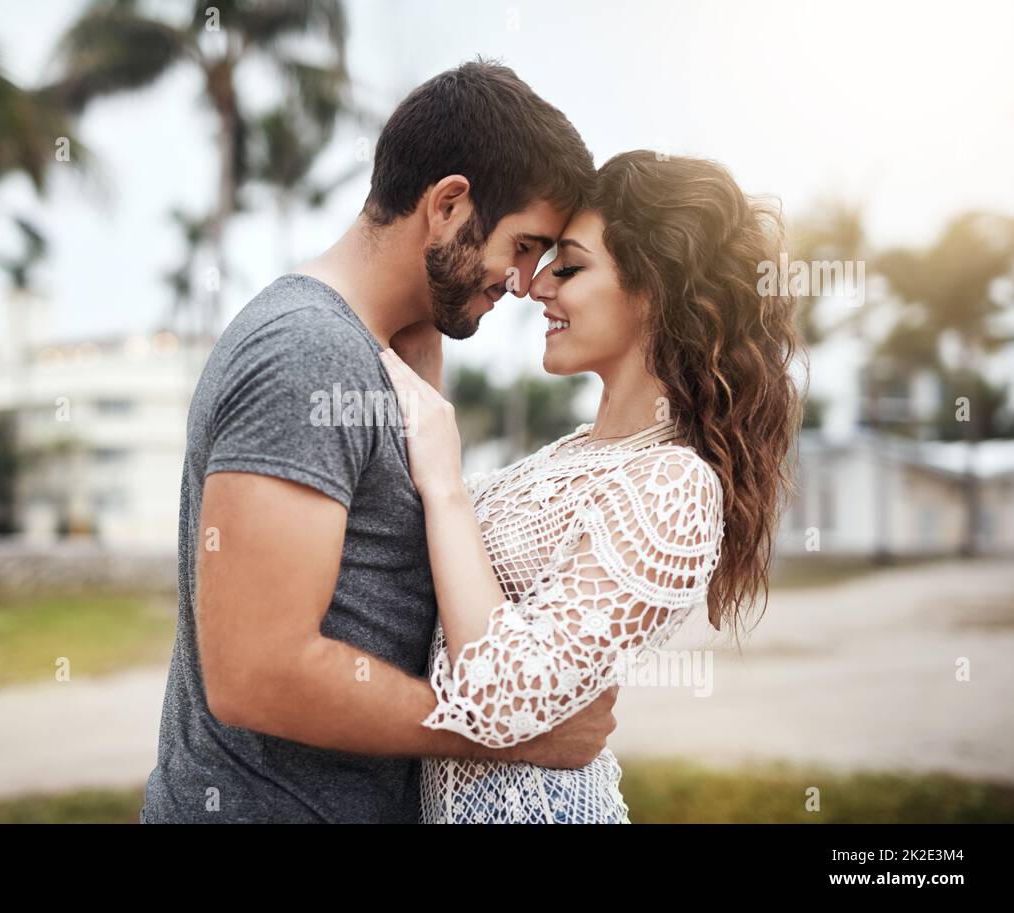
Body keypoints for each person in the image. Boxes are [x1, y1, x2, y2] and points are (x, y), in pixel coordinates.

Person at [140, 60, 612, 823]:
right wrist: (505, 734)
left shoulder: (372, 352)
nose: (525, 282)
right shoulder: (309, 353)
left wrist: (428, 329)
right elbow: (257, 672)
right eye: (524, 246)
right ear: (450, 202)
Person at [380, 150, 801, 822]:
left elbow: (504, 695)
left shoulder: (674, 486)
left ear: (654, 292)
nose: (537, 285)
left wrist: (446, 481)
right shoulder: (575, 454)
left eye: (569, 267)